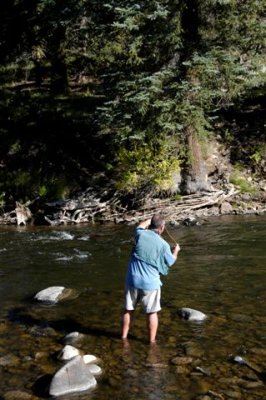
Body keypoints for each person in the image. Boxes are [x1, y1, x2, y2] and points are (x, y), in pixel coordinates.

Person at [121, 213, 180, 343]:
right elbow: (170, 262)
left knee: (128, 309)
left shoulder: (140, 234)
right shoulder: (164, 245)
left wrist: (149, 220)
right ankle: (151, 341)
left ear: (151, 225)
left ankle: (124, 337)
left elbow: (140, 226)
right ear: (162, 227)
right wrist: (176, 251)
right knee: (151, 313)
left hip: (132, 280)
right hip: (150, 284)